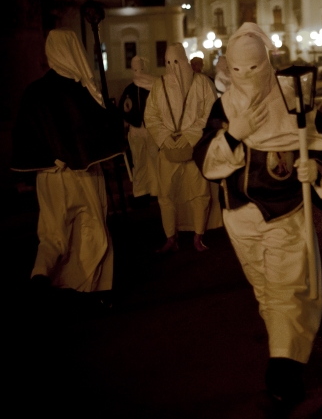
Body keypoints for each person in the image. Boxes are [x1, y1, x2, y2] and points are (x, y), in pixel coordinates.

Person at [192, 22, 322, 406]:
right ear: (228, 69)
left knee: (286, 291)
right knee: (267, 292)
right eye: (237, 70)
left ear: (267, 64)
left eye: (254, 68)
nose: (246, 78)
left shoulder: (295, 101)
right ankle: (285, 351)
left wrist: (316, 171)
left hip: (286, 212)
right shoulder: (224, 107)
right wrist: (234, 135)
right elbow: (206, 162)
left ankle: (284, 369)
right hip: (239, 216)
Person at [11, 29, 124, 295]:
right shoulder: (81, 91)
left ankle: (40, 277)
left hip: (48, 177)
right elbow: (96, 133)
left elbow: (26, 137)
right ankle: (93, 288)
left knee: (52, 235)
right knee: (93, 227)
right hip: (81, 176)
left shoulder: (33, 92)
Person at [144, 43, 222, 253]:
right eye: (168, 63)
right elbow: (151, 115)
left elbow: (210, 111)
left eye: (176, 62)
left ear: (185, 60)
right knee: (166, 194)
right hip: (168, 150)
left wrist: (190, 135)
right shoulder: (159, 85)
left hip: (193, 149)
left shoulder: (202, 83)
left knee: (199, 193)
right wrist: (164, 137)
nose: (173, 67)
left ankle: (198, 236)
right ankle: (171, 237)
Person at [118, 55, 159, 203]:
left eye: (140, 68)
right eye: (135, 68)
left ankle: (156, 189)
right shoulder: (130, 89)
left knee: (155, 161)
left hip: (152, 130)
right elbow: (123, 108)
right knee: (139, 161)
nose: (138, 72)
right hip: (136, 130)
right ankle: (141, 191)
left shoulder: (155, 86)